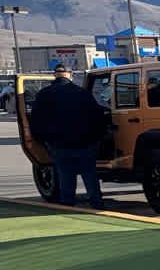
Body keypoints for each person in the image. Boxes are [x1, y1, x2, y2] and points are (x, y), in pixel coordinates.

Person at [29, 64, 106, 208]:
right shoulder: (82, 93)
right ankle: (96, 201)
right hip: (85, 141)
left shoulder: (44, 94)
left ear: (54, 75)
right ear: (70, 75)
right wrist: (97, 137)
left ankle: (68, 202)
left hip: (59, 143)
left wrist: (42, 140)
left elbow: (35, 120)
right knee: (89, 173)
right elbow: (97, 116)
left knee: (65, 174)